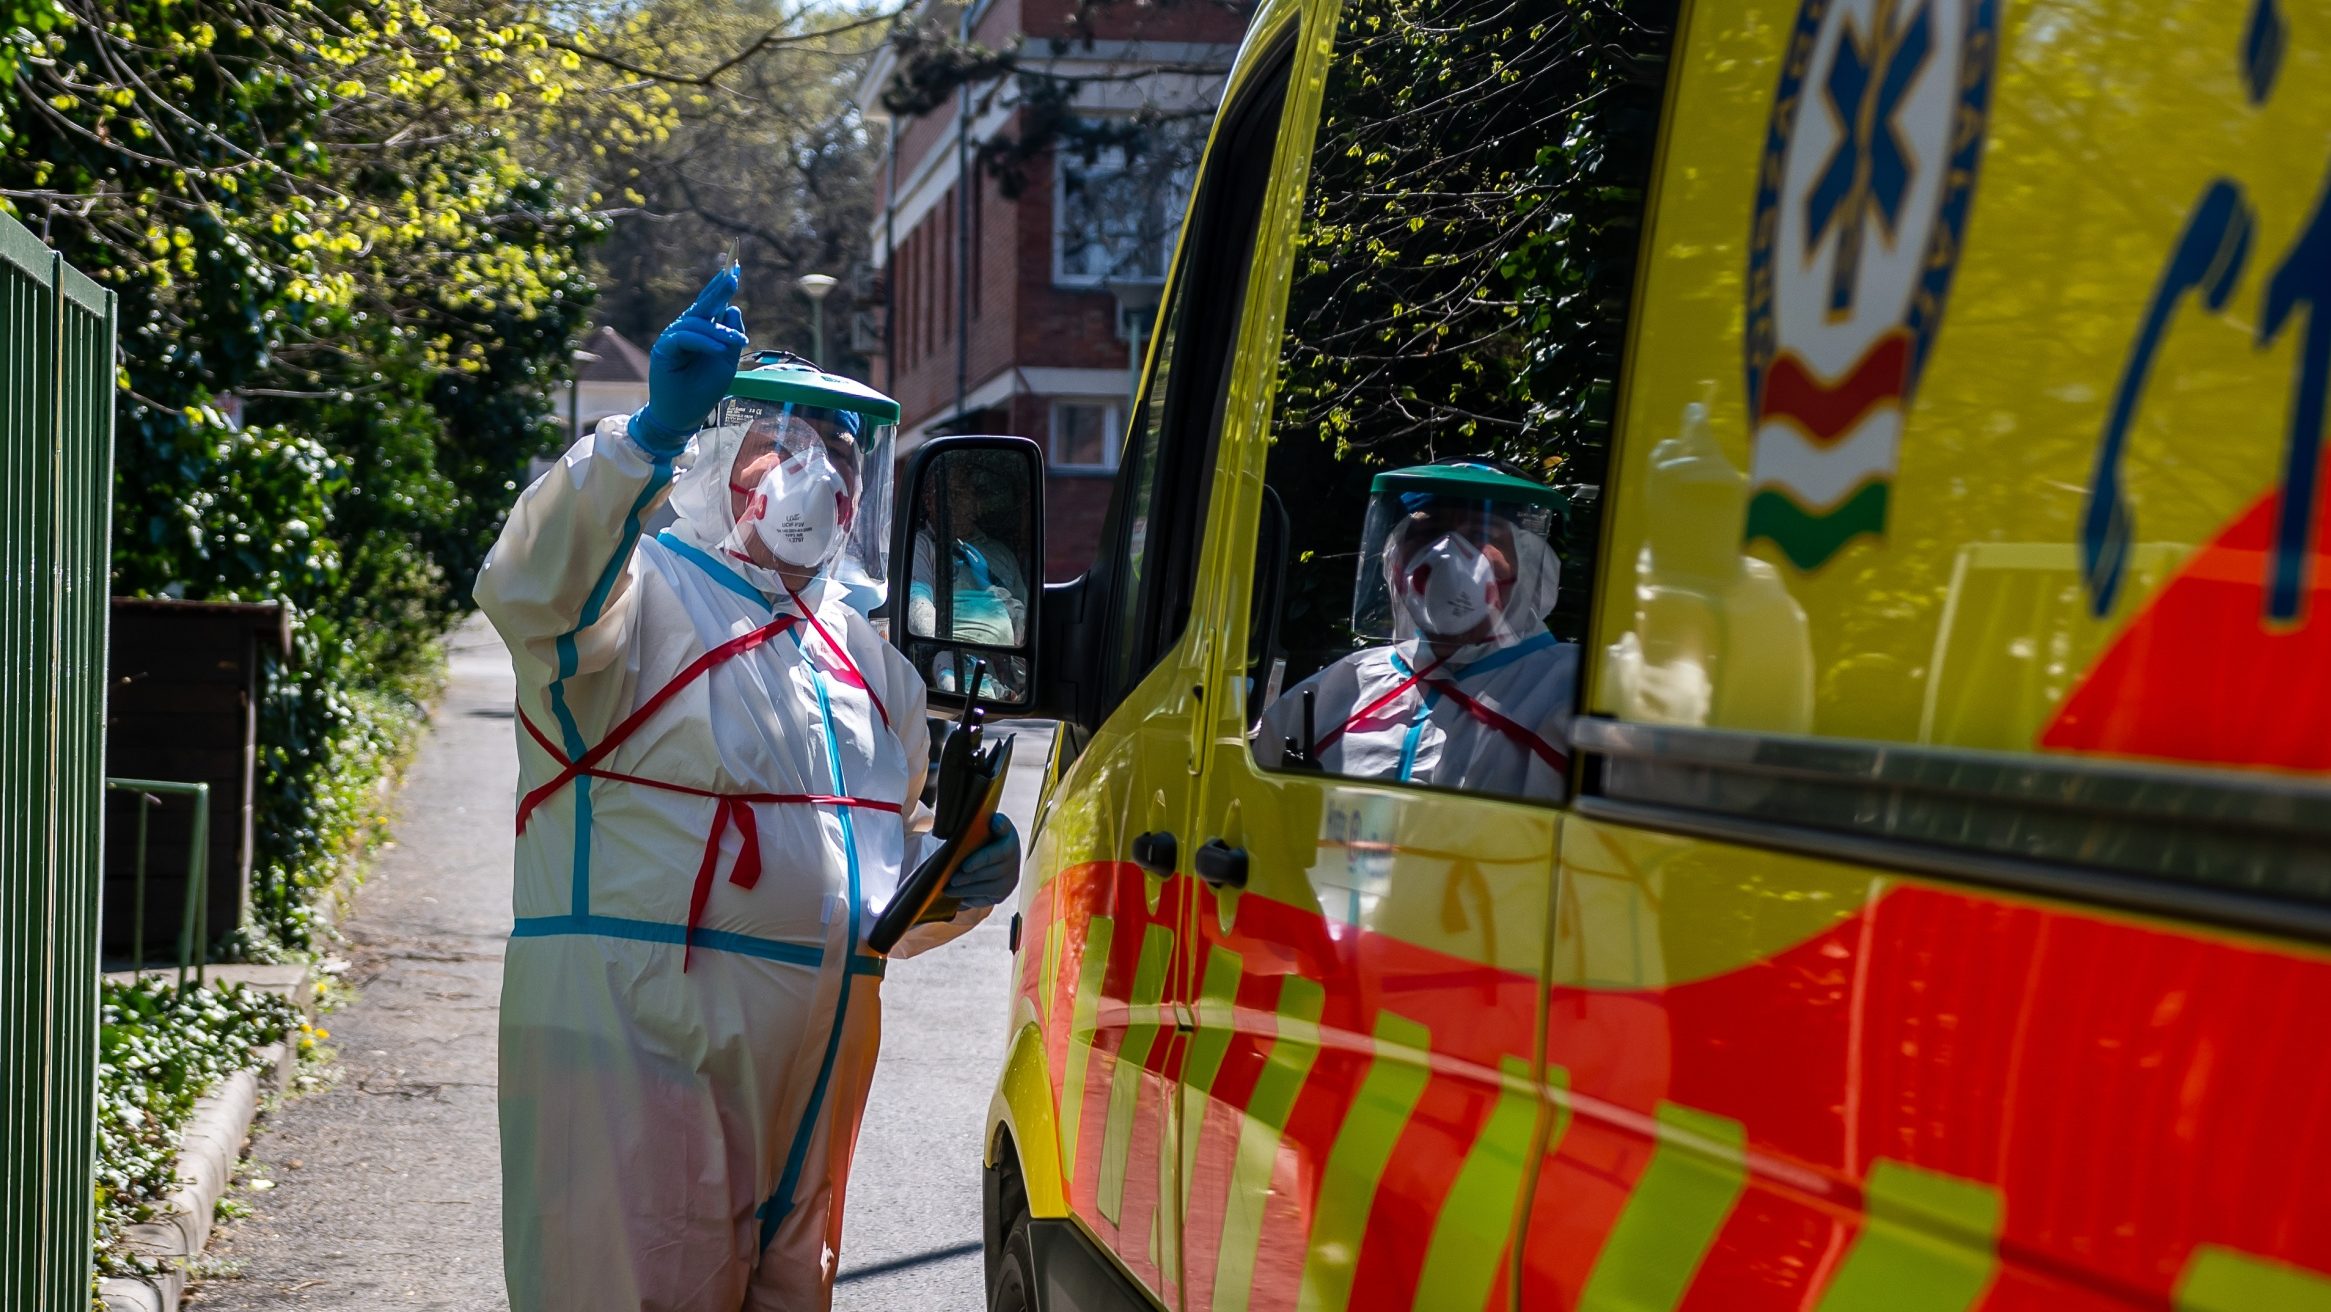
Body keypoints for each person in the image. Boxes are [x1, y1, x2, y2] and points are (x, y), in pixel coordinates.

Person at [474, 266, 1020, 1312]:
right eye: (789, 448)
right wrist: (642, 438)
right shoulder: (641, 593)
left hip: (814, 1073)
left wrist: (955, 876)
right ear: (721, 456)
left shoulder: (874, 668)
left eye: (847, 458)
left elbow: (868, 895)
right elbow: (530, 590)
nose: (824, 478)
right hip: (637, 1047)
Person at [1256, 458, 1578, 801]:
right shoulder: (1335, 695)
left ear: (1527, 562)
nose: (1447, 554)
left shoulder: (1572, 694)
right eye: (1427, 533)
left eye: (1481, 534)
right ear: (1394, 562)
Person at [908, 472, 1030, 698]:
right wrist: (958, 648)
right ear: (928, 502)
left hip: (1006, 667)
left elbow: (1027, 628)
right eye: (943, 495)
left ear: (976, 504)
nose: (951, 503)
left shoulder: (1001, 555)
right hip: (954, 661)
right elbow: (918, 612)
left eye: (960, 494)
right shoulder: (922, 547)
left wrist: (993, 588)